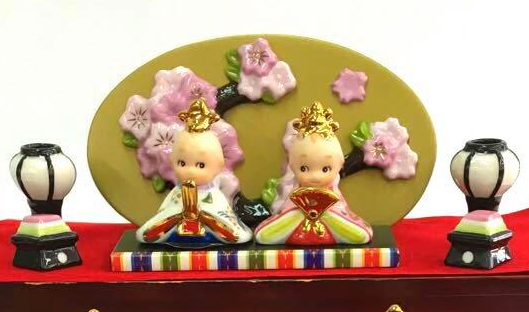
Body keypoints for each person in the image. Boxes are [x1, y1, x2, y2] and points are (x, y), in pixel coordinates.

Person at [254, 101, 372, 247]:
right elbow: (286, 209)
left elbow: (341, 210)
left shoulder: (333, 192)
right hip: (298, 227)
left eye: (325, 169)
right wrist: (297, 212)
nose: (315, 176)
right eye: (304, 168)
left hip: (329, 224)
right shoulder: (295, 191)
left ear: (339, 164)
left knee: (355, 231)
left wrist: (328, 213)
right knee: (271, 230)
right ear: (292, 165)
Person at [136, 98, 251, 247]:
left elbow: (222, 215)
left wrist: (202, 215)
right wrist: (179, 215)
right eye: (182, 163)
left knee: (238, 235)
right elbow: (165, 213)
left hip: (208, 232)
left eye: (201, 165)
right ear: (173, 161)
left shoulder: (213, 193)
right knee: (144, 233)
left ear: (218, 166)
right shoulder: (177, 192)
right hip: (177, 233)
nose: (190, 171)